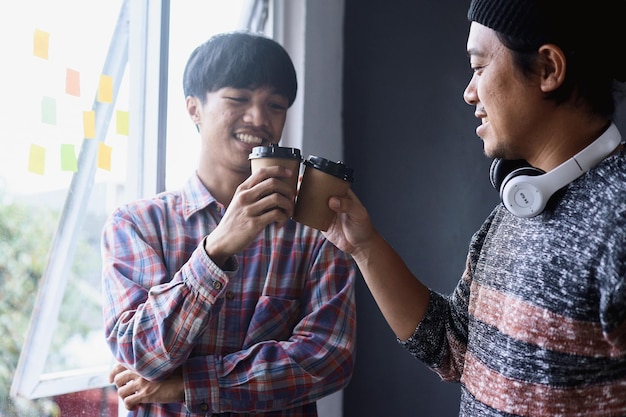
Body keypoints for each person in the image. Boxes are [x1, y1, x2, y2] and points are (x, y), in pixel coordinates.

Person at [323, 0, 626, 416]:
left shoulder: (619, 221)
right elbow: (452, 347)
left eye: (480, 67)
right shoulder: (515, 208)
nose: (469, 93)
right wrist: (364, 247)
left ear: (548, 70)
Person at [101, 31, 357, 416]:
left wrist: (186, 385)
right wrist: (217, 247)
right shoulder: (137, 225)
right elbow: (142, 355)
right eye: (238, 99)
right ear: (194, 108)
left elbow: (328, 360)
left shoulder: (315, 229)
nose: (258, 118)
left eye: (275, 104)